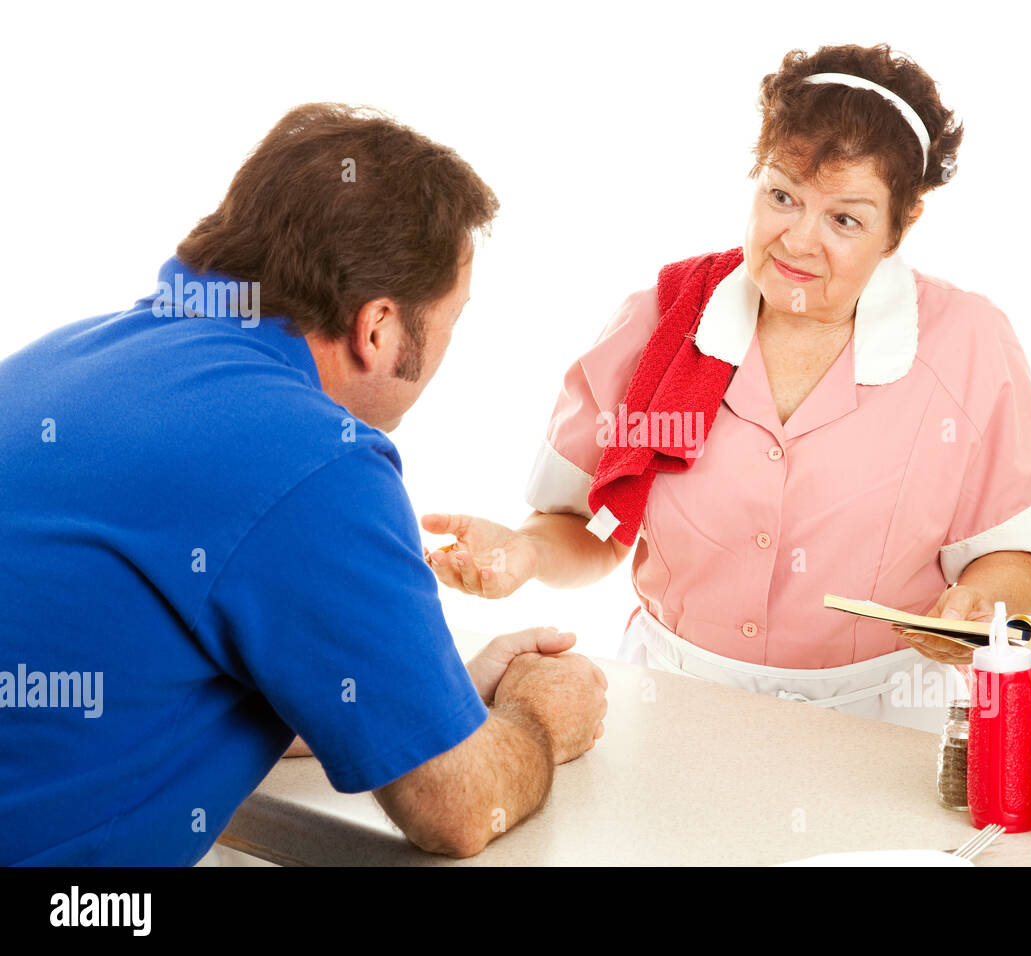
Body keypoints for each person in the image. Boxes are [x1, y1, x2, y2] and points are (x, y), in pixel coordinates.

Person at [422, 44, 1031, 730]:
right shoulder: (657, 325)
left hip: (883, 729)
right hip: (673, 710)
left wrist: (978, 603)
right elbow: (590, 527)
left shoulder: (966, 344)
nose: (798, 241)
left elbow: (1020, 546)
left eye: (845, 219)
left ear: (904, 222)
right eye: (781, 197)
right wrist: (526, 552)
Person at [0, 103, 606, 866]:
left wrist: (426, 701)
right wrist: (537, 717)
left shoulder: (56, 363)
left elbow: (124, 686)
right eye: (453, 319)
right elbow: (455, 808)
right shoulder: (313, 458)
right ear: (379, 328)